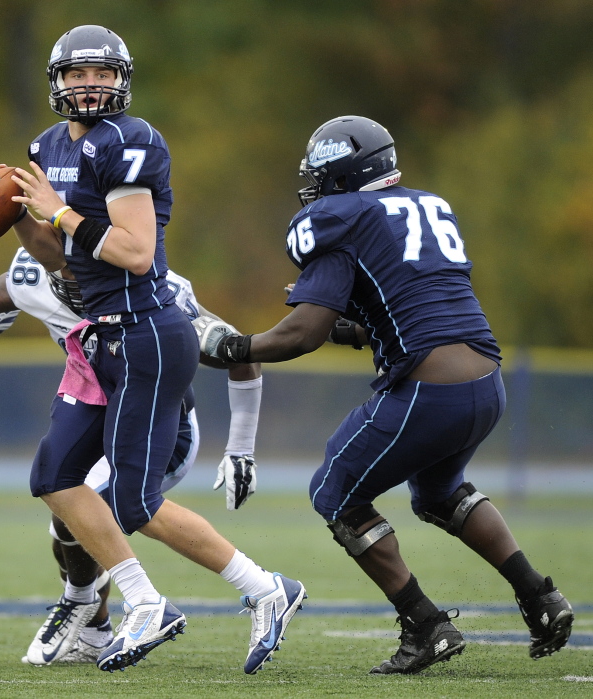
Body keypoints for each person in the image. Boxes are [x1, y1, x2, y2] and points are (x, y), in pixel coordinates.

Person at [195, 115, 574, 674]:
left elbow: (303, 334)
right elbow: (403, 313)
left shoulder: (337, 219)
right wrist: (347, 325)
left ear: (339, 176)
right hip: (485, 383)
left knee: (333, 488)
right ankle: (541, 598)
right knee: (440, 492)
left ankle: (426, 624)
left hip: (431, 390)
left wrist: (233, 347)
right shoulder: (424, 206)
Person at [0, 25, 307, 674]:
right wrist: (17, 216)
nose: (89, 84)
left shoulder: (133, 142)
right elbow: (61, 255)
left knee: (136, 504)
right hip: (96, 335)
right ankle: (143, 600)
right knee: (52, 477)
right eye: (76, 74)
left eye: (101, 72)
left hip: (144, 329)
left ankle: (266, 588)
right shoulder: (46, 147)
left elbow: (133, 252)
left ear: (121, 78)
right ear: (57, 82)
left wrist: (55, 213)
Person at [0, 247, 264, 665]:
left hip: (162, 422)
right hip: (102, 408)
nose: (71, 277)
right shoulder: (33, 275)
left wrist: (241, 447)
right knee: (59, 494)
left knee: (114, 506)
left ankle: (252, 588)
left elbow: (240, 352)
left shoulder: (154, 288)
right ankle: (95, 623)